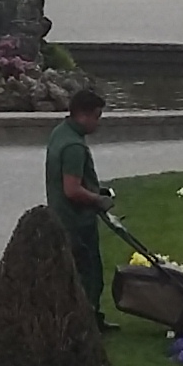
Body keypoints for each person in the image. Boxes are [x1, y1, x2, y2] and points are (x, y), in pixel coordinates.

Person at [44, 84, 113, 319]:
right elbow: (72, 190)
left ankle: (84, 320)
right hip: (76, 221)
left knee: (73, 274)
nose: (98, 123)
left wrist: (95, 189)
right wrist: (98, 199)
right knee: (89, 275)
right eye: (96, 117)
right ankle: (87, 322)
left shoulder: (60, 132)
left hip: (60, 216)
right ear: (83, 115)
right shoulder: (74, 146)